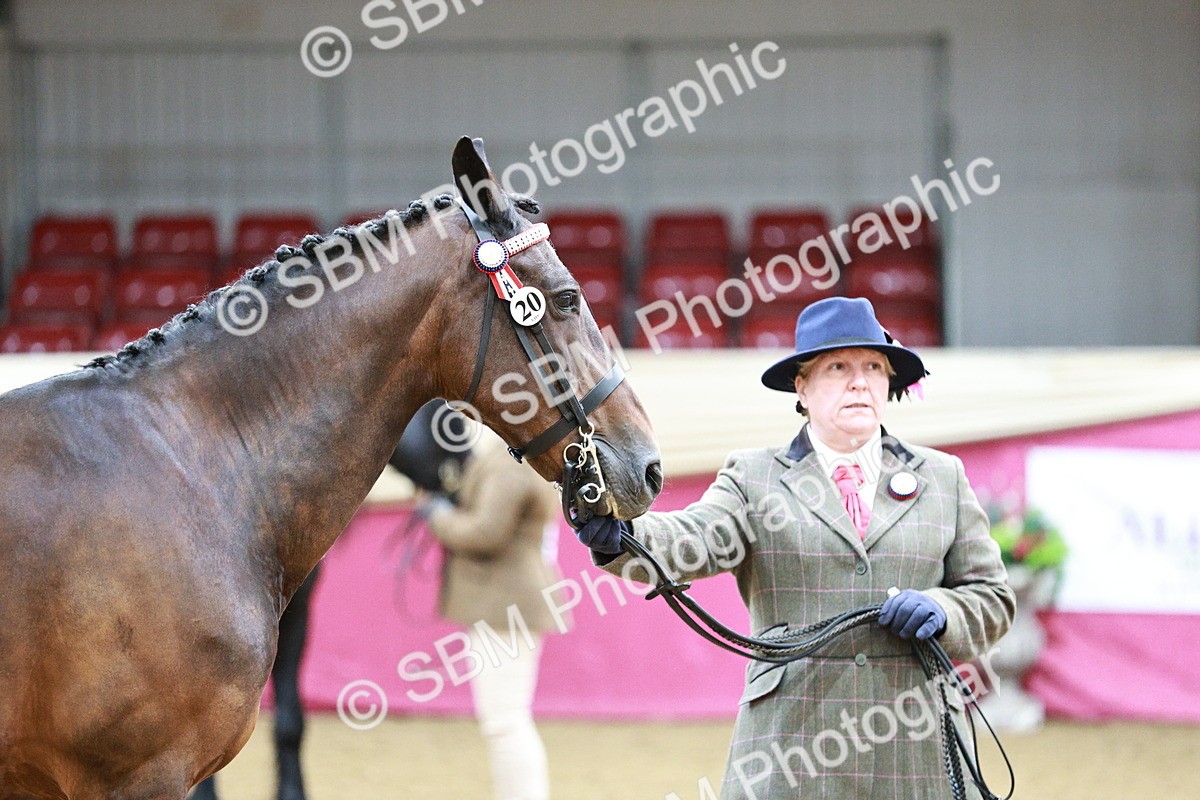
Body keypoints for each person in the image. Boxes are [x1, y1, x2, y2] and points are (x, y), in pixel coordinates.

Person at [576, 297, 1015, 800]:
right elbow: (690, 540)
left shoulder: (943, 477)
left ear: (889, 383)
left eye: (874, 366)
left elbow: (993, 598)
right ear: (801, 387)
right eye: (838, 366)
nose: (860, 381)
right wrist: (625, 534)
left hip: (915, 748)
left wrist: (943, 608)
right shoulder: (753, 476)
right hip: (792, 748)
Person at [396, 401, 566, 800]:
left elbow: (485, 533)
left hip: (507, 606)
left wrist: (435, 513)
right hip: (504, 605)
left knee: (505, 722)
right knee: (505, 722)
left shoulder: (517, 464)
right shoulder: (517, 455)